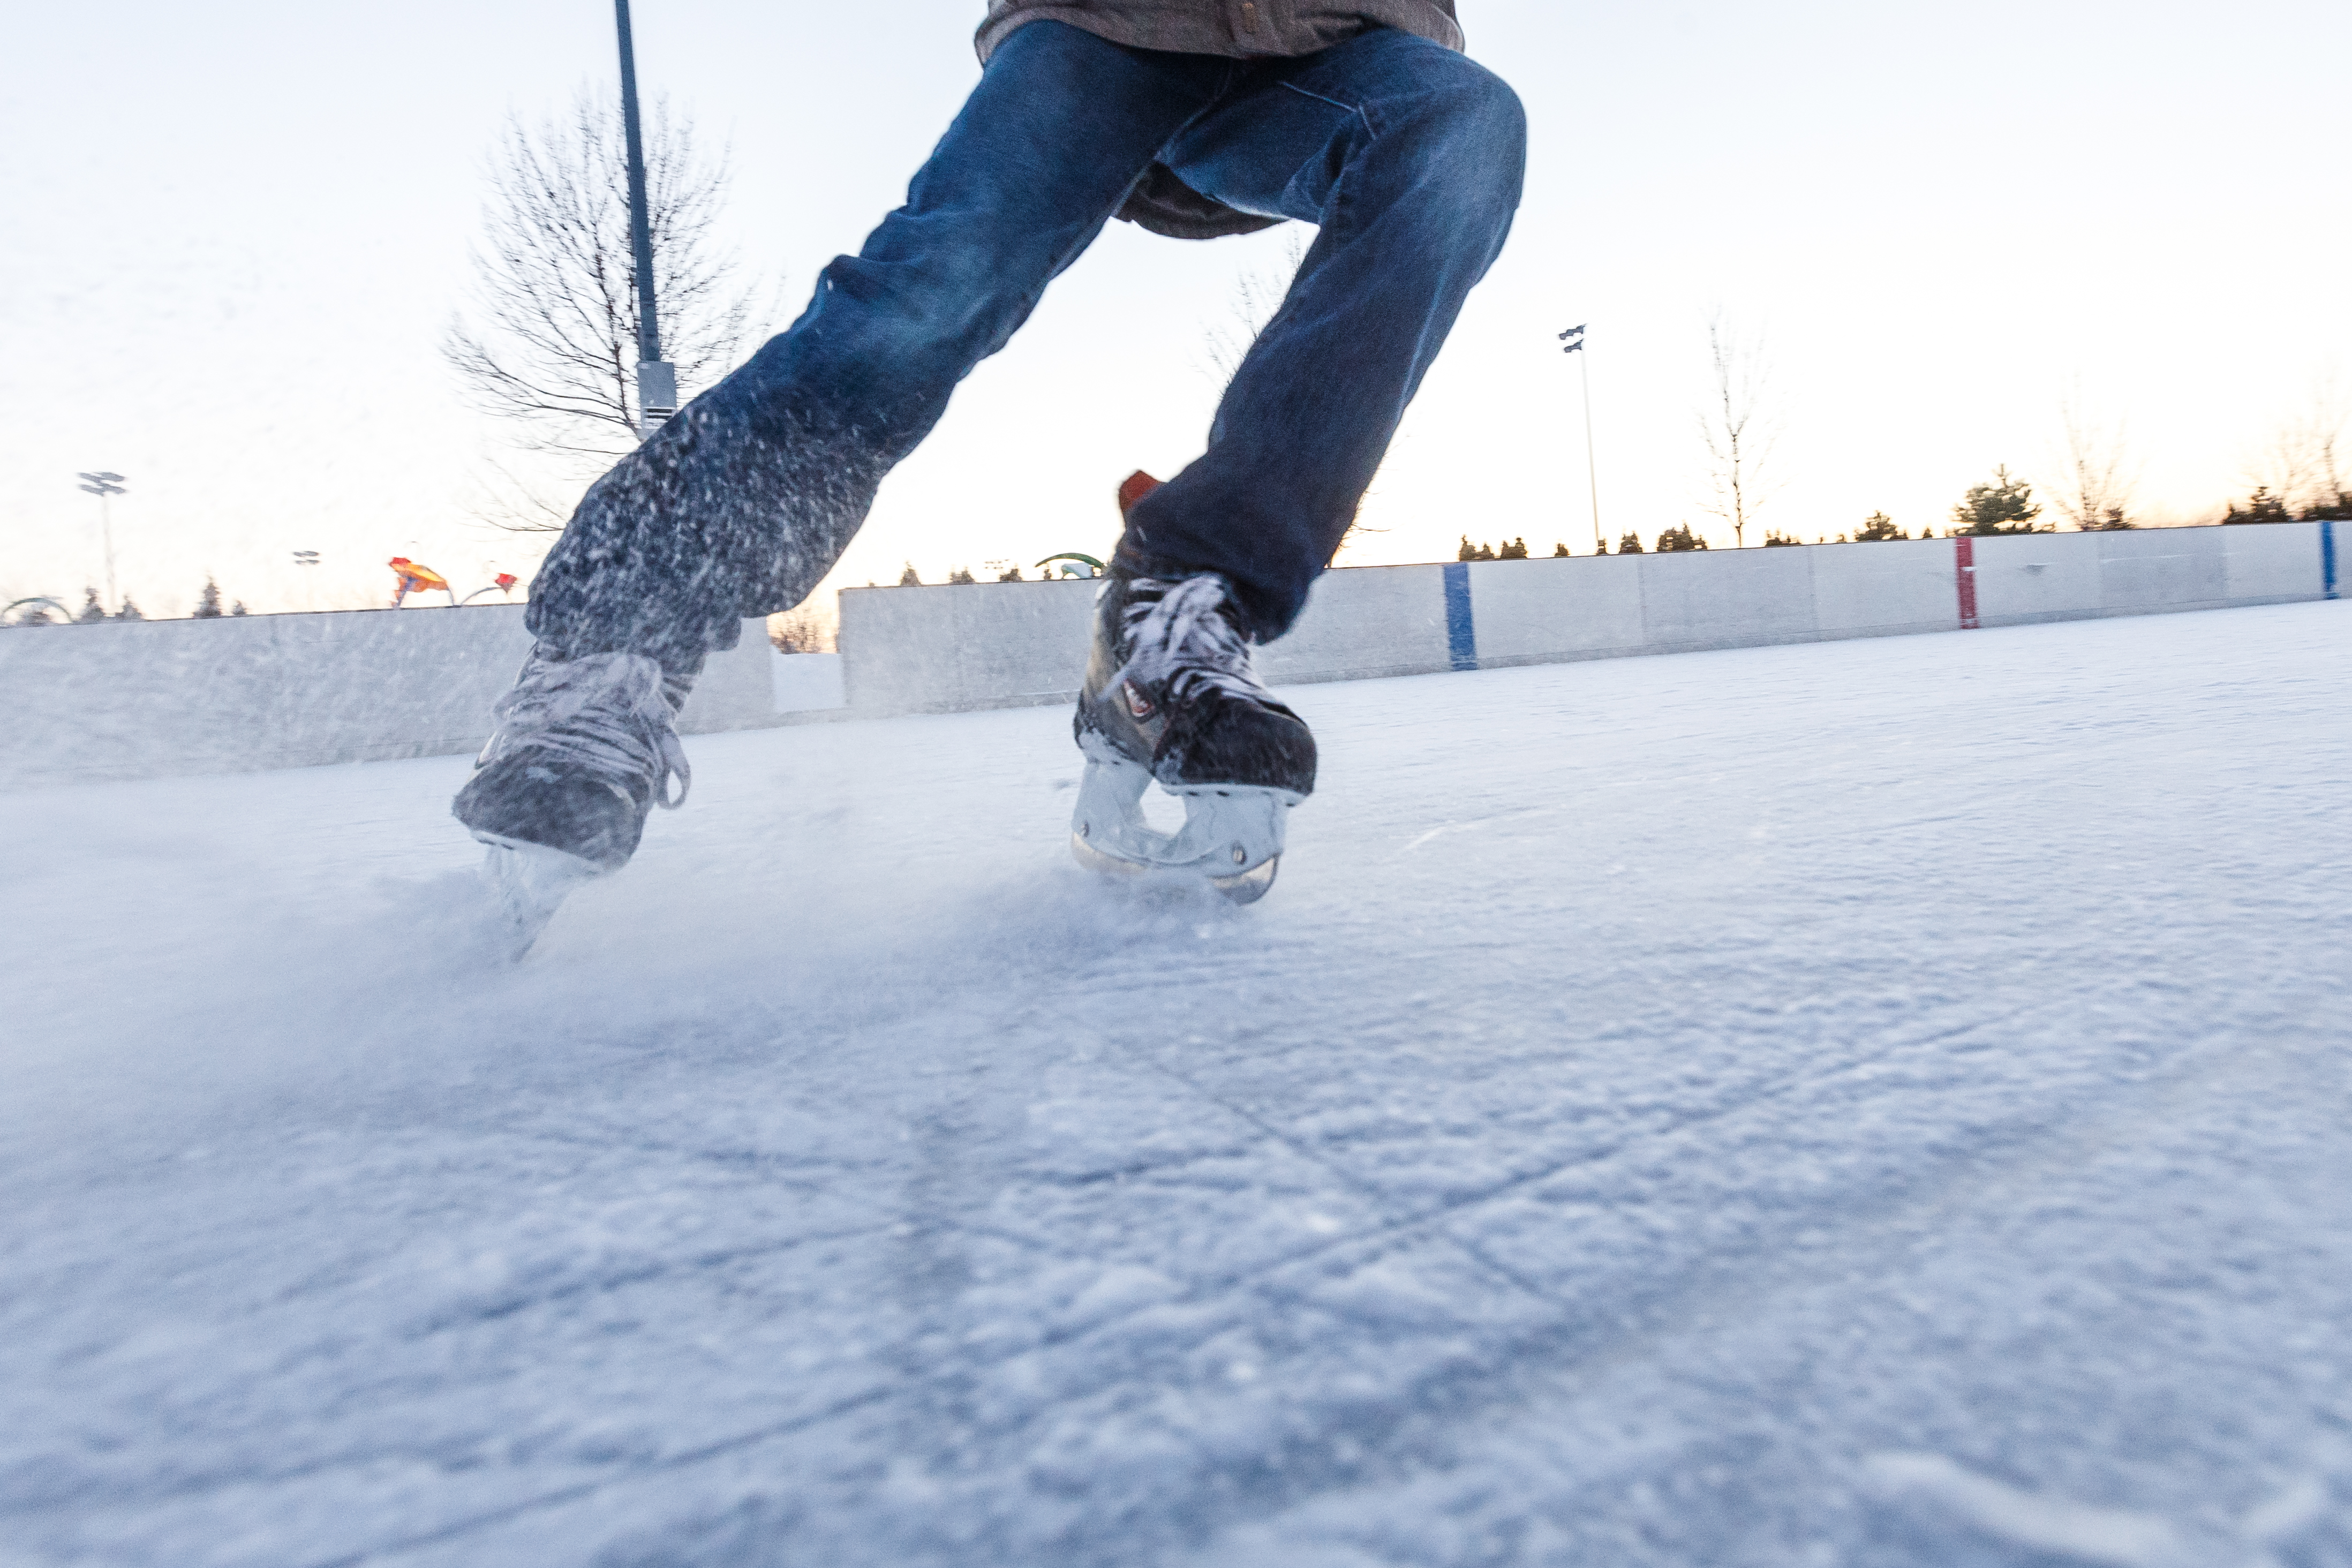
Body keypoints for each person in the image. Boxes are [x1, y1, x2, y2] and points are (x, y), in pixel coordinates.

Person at [455, 0, 1526, 932]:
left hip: (1335, 45)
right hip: (1104, 29)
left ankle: (1183, 608)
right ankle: (614, 644)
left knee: (1463, 127)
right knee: (936, 287)